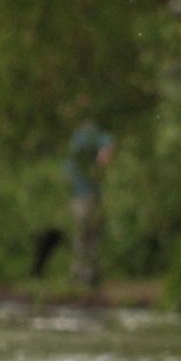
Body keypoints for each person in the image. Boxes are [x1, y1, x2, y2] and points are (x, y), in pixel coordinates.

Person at [65, 109, 116, 289]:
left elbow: (107, 149)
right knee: (84, 232)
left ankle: (88, 273)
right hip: (82, 193)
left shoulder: (92, 135)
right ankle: (83, 273)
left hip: (90, 193)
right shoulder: (79, 137)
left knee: (88, 232)